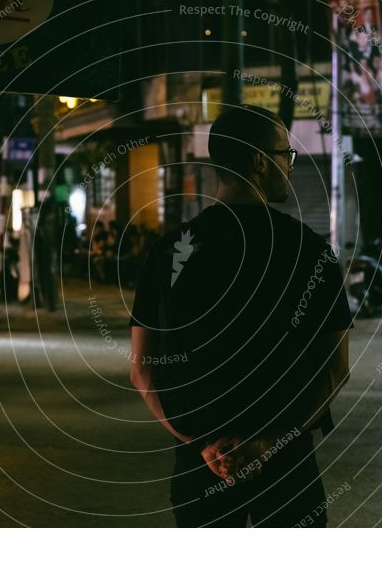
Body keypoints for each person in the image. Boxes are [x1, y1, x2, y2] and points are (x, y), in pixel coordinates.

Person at [129, 105, 352, 527]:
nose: (289, 165)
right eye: (285, 154)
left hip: (201, 469)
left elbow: (142, 372)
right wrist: (267, 444)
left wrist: (204, 447)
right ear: (259, 161)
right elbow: (335, 369)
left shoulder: (170, 251)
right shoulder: (308, 250)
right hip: (287, 469)